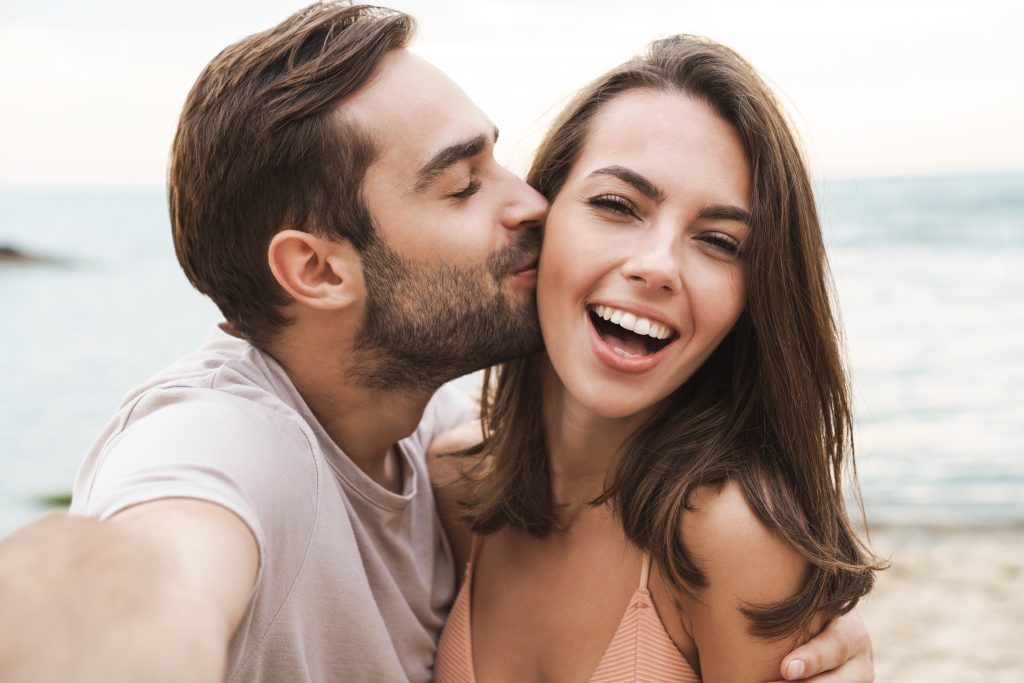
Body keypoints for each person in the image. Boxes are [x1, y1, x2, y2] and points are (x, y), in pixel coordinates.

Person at [0, 5, 873, 682]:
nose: (529, 203)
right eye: (463, 185)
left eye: (721, 240)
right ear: (318, 269)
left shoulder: (440, 455)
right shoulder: (232, 443)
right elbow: (156, 566)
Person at [431, 35, 883, 683]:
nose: (658, 266)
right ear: (541, 214)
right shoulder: (453, 483)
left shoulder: (731, 537)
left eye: (720, 241)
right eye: (617, 205)